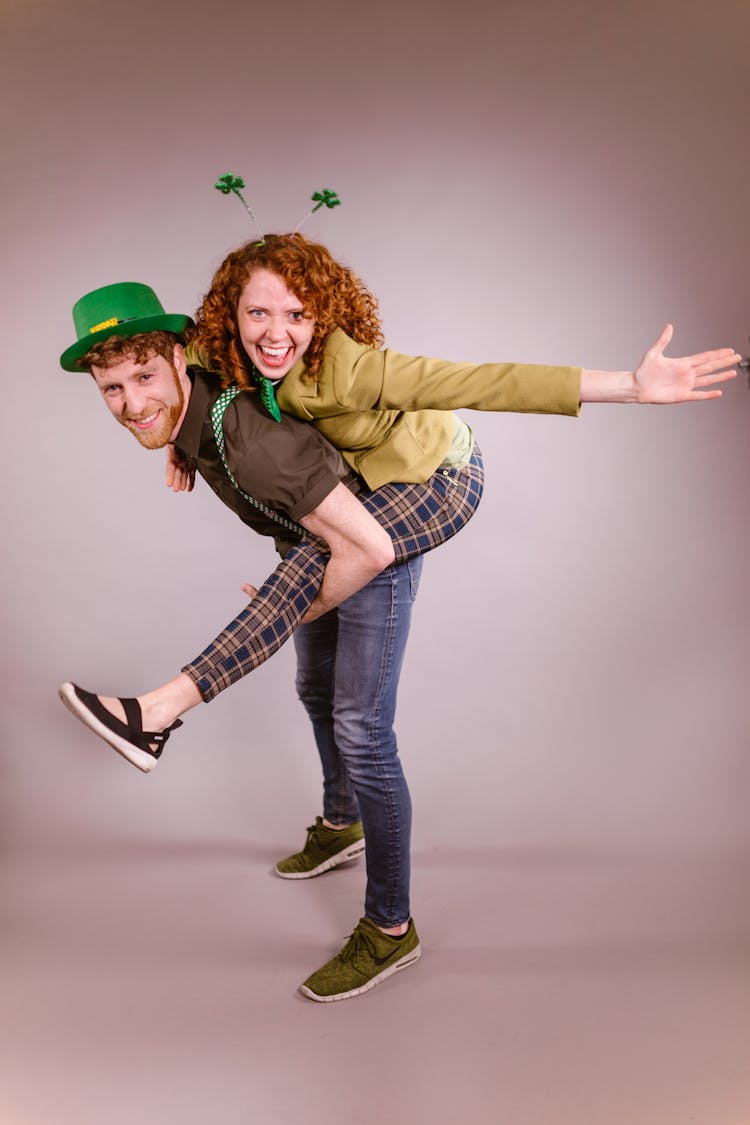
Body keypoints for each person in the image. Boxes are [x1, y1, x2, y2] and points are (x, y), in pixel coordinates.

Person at [58, 260, 739, 1003]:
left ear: (320, 316)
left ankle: (387, 926)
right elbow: (174, 369)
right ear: (222, 325)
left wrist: (629, 386)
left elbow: (477, 382)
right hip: (336, 500)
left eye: (140, 380)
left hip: (426, 483)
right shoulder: (205, 363)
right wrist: (179, 439)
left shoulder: (339, 381)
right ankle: (340, 821)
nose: (128, 402)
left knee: (358, 719)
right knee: (313, 679)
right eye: (113, 391)